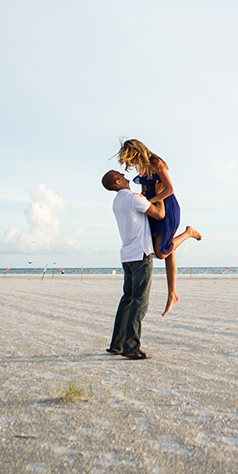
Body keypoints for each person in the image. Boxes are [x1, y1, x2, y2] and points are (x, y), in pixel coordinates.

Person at [117, 139, 202, 317]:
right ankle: (172, 294)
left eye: (131, 159)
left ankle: (188, 233)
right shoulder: (142, 168)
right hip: (153, 207)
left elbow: (169, 189)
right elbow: (144, 190)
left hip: (167, 208)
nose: (131, 164)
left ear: (137, 152)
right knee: (167, 250)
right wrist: (140, 199)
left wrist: (150, 201)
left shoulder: (156, 163)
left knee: (162, 252)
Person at [101, 170, 167, 360]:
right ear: (117, 181)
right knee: (140, 301)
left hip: (127, 255)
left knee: (127, 299)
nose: (124, 173)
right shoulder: (132, 199)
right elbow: (160, 214)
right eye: (120, 174)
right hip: (141, 253)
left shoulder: (117, 201)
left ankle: (117, 344)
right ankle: (131, 347)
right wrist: (159, 194)